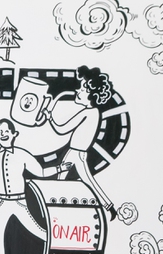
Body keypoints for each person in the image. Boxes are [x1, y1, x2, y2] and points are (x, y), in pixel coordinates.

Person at [0, 118, 71, 254]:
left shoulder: (22, 154)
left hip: (19, 202)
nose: (3, 134)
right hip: (0, 203)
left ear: (14, 134)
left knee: (38, 231)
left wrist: (59, 168)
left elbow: (41, 172)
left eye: (6, 131)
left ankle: (60, 253)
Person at [46, 65, 118, 220]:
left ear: (92, 94)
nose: (78, 91)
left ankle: (57, 211)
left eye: (83, 89)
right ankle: (109, 207)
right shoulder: (94, 112)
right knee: (81, 181)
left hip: (76, 153)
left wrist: (50, 117)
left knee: (64, 181)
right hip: (77, 153)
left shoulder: (88, 113)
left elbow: (62, 129)